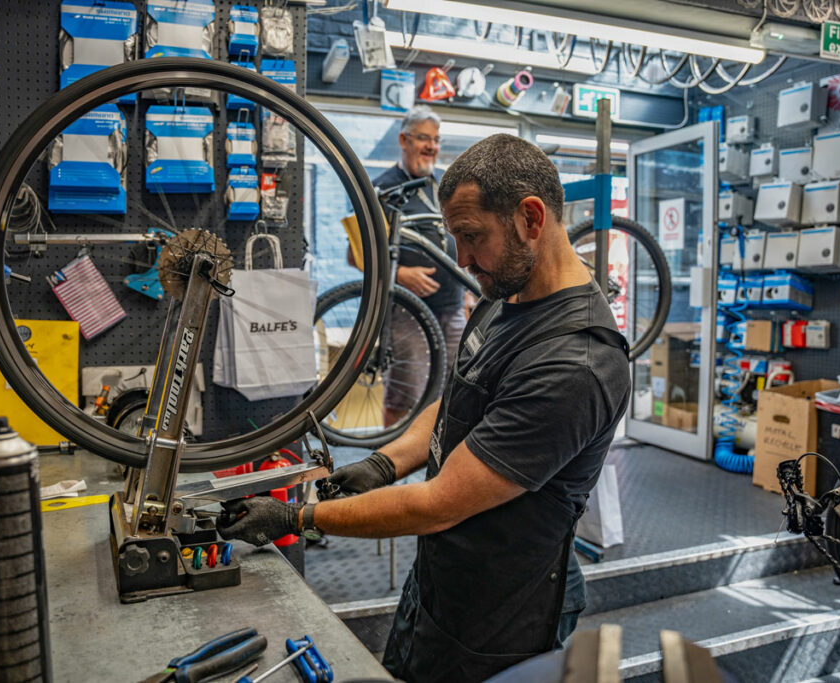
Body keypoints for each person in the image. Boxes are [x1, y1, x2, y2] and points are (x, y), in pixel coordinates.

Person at [218, 134, 631, 682]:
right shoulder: (505, 295)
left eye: (471, 236)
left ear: (532, 218)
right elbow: (457, 400)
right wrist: (385, 463)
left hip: (504, 614)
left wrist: (297, 518)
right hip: (445, 574)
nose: (461, 258)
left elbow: (438, 503)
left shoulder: (575, 363)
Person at [360, 106, 475, 425]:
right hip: (406, 312)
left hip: (452, 309)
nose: (432, 147)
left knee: (456, 390)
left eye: (436, 140)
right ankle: (389, 471)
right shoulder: (382, 188)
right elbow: (357, 254)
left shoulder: (444, 185)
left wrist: (468, 291)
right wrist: (399, 273)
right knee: (405, 395)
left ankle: (439, 463)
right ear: (403, 139)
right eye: (423, 138)